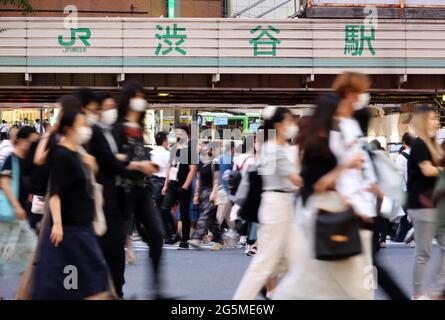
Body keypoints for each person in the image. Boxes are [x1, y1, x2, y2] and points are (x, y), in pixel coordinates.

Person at [31, 107, 111, 300]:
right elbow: (56, 193)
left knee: (87, 283)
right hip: (69, 230)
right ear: (68, 127)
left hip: (82, 226)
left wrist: (92, 165)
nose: (86, 129)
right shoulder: (61, 154)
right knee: (77, 284)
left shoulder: (78, 153)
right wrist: (57, 224)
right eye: (81, 124)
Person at [233, 106, 302, 300]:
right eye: (290, 121)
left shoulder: (283, 148)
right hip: (275, 204)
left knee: (291, 258)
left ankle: (275, 293)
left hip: (284, 204)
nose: (293, 125)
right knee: (264, 262)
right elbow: (295, 178)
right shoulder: (272, 149)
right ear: (279, 125)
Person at [113, 81, 167, 298]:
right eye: (136, 96)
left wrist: (148, 166)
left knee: (157, 234)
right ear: (127, 100)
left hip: (143, 189)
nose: (140, 100)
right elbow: (114, 161)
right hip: (123, 191)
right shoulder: (118, 128)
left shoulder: (139, 130)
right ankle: (117, 290)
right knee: (118, 242)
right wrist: (137, 165)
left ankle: (156, 289)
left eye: (142, 96)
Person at [88, 91, 145, 298]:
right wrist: (133, 164)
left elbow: (118, 157)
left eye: (113, 106)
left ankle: (115, 289)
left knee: (114, 249)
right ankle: (110, 290)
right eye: (106, 107)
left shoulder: (113, 131)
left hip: (118, 197)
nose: (111, 110)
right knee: (107, 249)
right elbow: (109, 161)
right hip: (103, 198)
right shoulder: (94, 131)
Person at [407, 106, 442, 299]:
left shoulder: (433, 144)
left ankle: (436, 290)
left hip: (436, 206)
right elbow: (428, 171)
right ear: (422, 121)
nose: (436, 122)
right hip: (423, 205)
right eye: (432, 119)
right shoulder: (420, 144)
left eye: (437, 119)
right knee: (423, 254)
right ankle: (418, 294)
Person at [0, 126, 38, 280]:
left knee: (25, 254)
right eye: (31, 142)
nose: (32, 146)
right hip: (12, 213)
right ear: (22, 140)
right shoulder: (12, 159)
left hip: (22, 213)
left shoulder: (29, 161)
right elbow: (4, 184)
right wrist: (16, 206)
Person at [161, 125, 198, 249]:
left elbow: (192, 169)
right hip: (172, 183)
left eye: (182, 133)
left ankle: (184, 240)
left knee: (184, 214)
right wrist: (166, 184)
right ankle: (174, 233)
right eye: (177, 133)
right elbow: (169, 167)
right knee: (164, 209)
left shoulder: (191, 149)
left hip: (183, 184)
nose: (179, 136)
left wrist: (185, 186)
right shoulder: (173, 148)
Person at [189, 141, 224, 251]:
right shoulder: (200, 163)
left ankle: (196, 237)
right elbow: (199, 179)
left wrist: (214, 192)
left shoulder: (214, 162)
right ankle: (219, 240)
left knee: (205, 215)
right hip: (202, 192)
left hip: (211, 191)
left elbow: (216, 179)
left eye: (205, 148)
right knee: (211, 219)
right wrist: (196, 194)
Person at [394, 132, 414, 243]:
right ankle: (405, 235)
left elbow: (398, 175)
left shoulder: (401, 157)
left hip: (405, 189)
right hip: (417, 188)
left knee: (405, 213)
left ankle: (404, 235)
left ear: (404, 142)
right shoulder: (418, 153)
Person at [150, 131, 171, 214]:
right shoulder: (168, 154)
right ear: (165, 141)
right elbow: (169, 172)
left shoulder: (151, 153)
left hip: (152, 182)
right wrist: (166, 186)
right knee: (162, 209)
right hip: (163, 182)